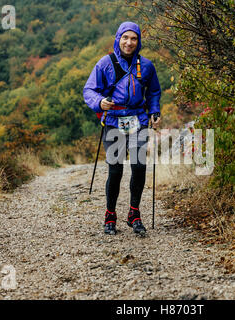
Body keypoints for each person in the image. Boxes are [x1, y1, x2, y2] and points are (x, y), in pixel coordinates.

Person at [83, 21, 161, 236]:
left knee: (139, 166)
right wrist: (99, 102)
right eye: (125, 38)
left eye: (133, 38)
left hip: (138, 119)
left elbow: (153, 91)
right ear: (118, 39)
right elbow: (89, 90)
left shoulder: (146, 66)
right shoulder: (105, 63)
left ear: (138, 41)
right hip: (113, 120)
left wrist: (154, 111)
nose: (129, 42)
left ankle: (134, 214)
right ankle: (110, 215)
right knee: (115, 169)